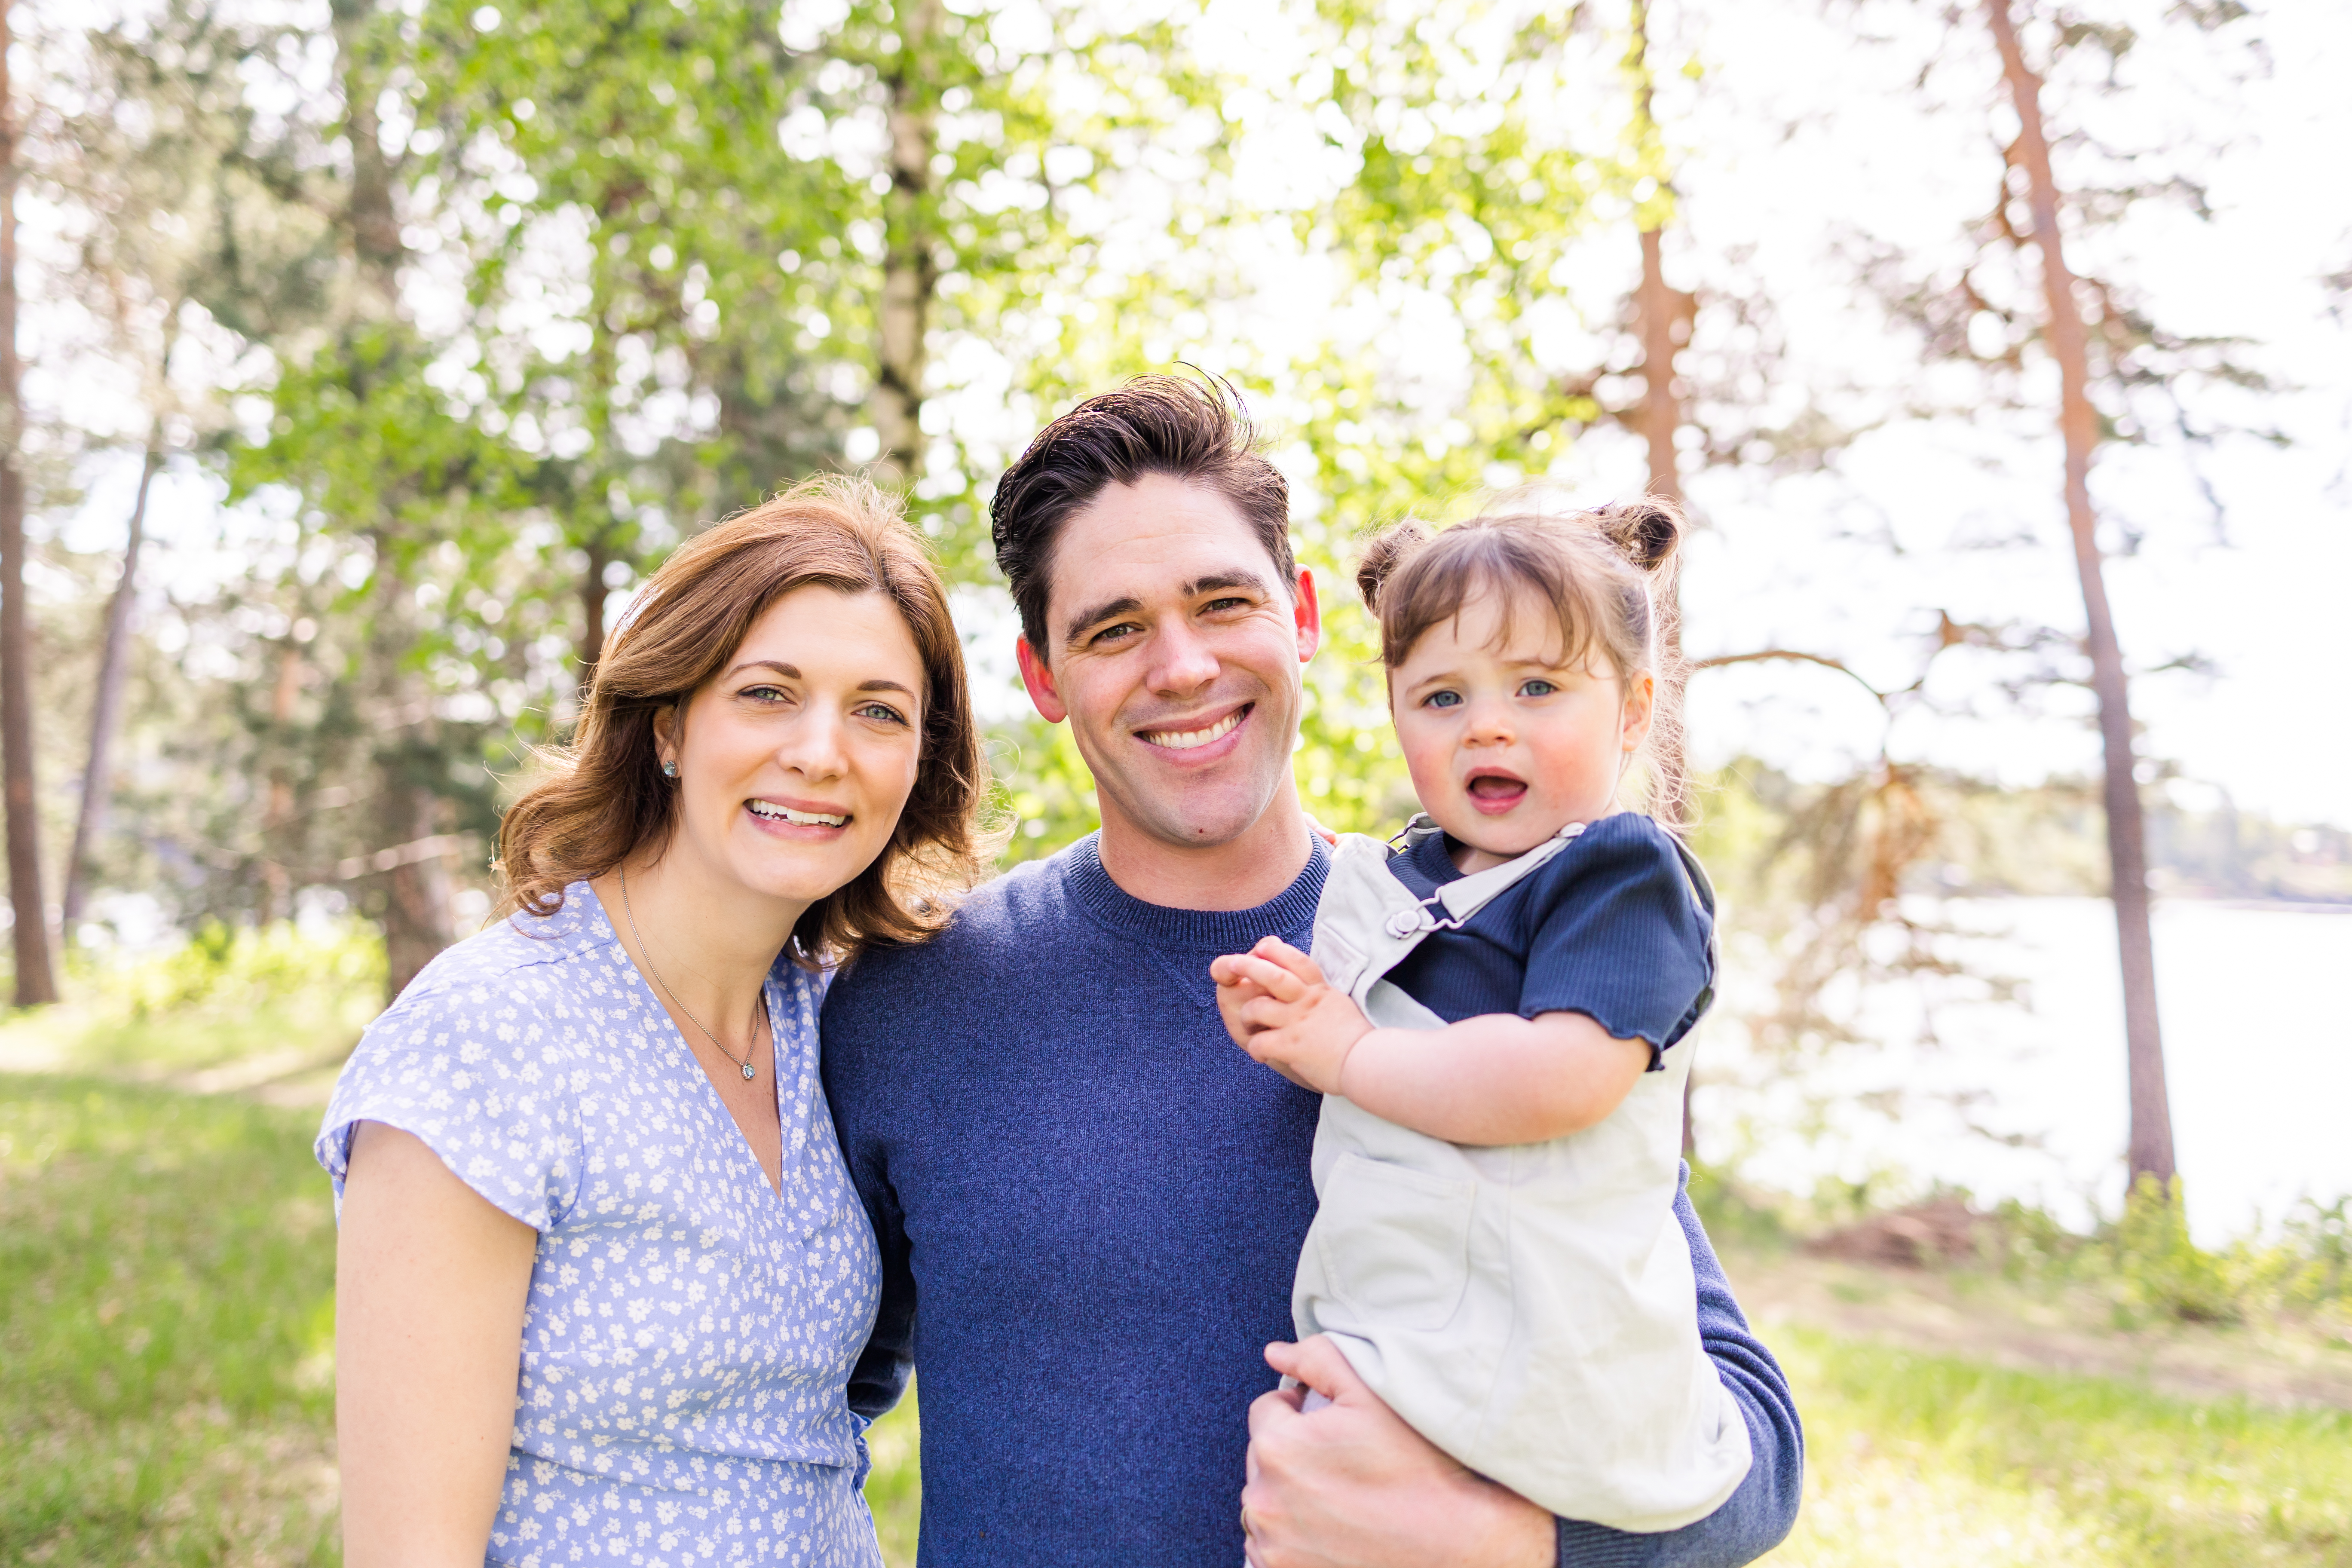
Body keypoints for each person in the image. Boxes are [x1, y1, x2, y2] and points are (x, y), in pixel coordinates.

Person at [822, 376, 1803, 1566]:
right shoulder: (912, 1004)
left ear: (1301, 616)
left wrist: (1513, 1543)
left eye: (1221, 602)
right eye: (1114, 628)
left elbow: (1755, 1441)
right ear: (1042, 680)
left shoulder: (1489, 954)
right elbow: (805, 1408)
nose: (1180, 667)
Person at [316, 477, 991, 1568]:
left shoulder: (843, 1021)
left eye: (878, 710)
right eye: (769, 693)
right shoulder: (488, 1040)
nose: (824, 752)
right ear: (670, 726)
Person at [1211, 502, 1752, 1535]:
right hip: (1407, 1351)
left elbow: (1560, 1079)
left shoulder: (1617, 874)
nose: (1488, 725)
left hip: (1538, 1359)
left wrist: (1350, 1049)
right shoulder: (1405, 877)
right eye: (1441, 696)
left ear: (1634, 713)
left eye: (1539, 687)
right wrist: (1300, 1009)